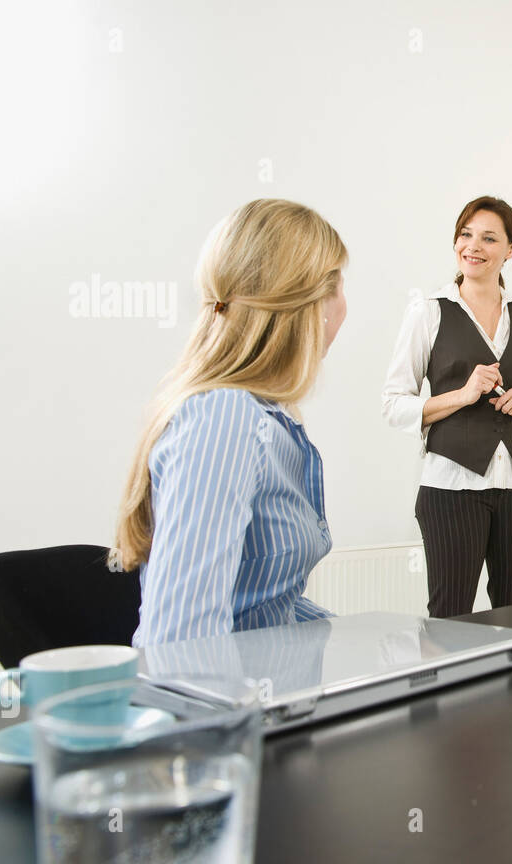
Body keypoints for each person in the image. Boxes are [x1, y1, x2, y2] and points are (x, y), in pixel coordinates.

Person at [111, 199, 348, 647]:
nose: (344, 307)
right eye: (339, 287)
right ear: (311, 305)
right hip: (246, 709)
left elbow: (263, 605)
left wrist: (370, 641)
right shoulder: (225, 418)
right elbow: (179, 644)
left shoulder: (262, 417)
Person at [382, 196, 512, 617]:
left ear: (511, 249)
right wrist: (462, 395)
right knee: (450, 618)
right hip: (451, 489)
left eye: (488, 238)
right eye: (465, 235)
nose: (473, 247)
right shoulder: (427, 313)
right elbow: (393, 404)